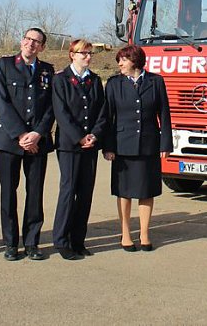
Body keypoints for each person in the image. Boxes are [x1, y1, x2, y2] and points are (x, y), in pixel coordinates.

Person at [0, 28, 56, 261]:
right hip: (10, 140)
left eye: (36, 42)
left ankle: (31, 242)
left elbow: (51, 106)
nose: (31, 44)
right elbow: (0, 100)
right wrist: (21, 135)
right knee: (9, 192)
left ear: (42, 47)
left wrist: (38, 133)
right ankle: (10, 242)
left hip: (38, 142)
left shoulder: (47, 70)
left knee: (35, 193)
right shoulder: (5, 65)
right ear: (21, 41)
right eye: (28, 39)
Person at [103, 44, 172, 252]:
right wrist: (108, 146)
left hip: (149, 145)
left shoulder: (156, 81)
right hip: (122, 146)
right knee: (124, 192)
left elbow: (164, 114)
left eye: (123, 60)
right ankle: (125, 234)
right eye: (119, 60)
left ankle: (144, 233)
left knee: (146, 190)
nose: (120, 64)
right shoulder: (114, 84)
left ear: (134, 60)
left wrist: (165, 143)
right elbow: (108, 117)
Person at [51, 39, 108, 260]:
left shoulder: (94, 80)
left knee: (85, 193)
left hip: (90, 145)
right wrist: (79, 137)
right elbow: (61, 113)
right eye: (83, 53)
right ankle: (62, 240)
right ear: (72, 55)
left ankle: (78, 240)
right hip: (69, 145)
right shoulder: (61, 80)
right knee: (69, 191)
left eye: (89, 53)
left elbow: (102, 111)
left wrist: (94, 135)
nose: (87, 56)